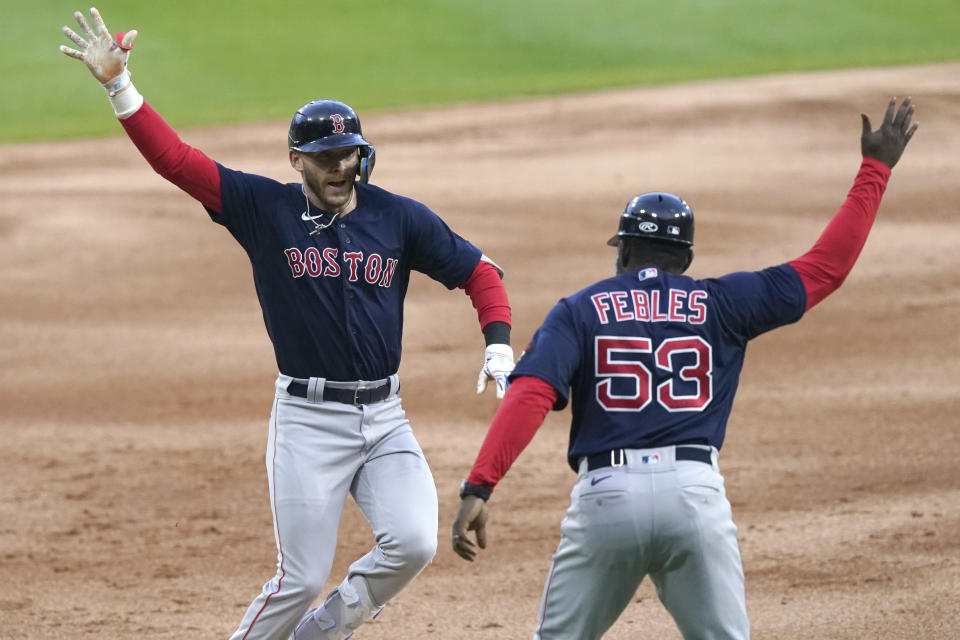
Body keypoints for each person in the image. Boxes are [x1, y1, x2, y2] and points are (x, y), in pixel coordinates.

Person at [59, 8, 516, 640]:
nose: (339, 169)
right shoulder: (264, 209)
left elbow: (481, 272)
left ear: (363, 155)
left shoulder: (398, 217)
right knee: (299, 578)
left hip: (385, 418)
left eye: (349, 155)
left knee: (413, 544)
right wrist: (120, 87)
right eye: (325, 158)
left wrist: (498, 343)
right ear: (297, 159)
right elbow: (178, 162)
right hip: (308, 421)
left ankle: (324, 631)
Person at [451, 97, 918, 639]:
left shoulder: (578, 309)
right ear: (687, 260)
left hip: (608, 497)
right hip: (695, 497)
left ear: (623, 251)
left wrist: (479, 487)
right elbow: (827, 268)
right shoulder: (724, 303)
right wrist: (875, 169)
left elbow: (529, 395)